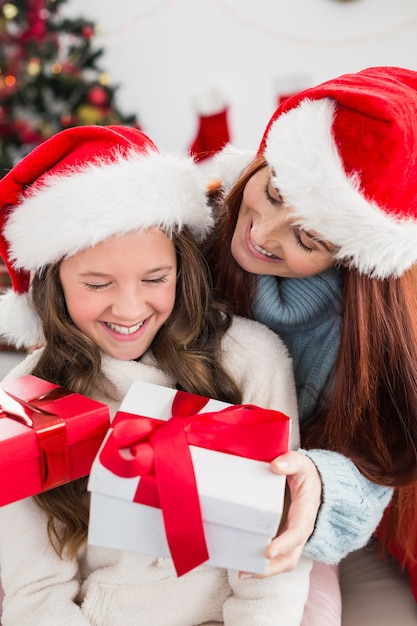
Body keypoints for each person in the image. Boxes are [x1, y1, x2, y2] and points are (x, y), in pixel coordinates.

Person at [0, 124, 317, 626]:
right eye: (97, 283)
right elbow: (35, 589)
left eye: (154, 279)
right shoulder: (30, 395)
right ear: (55, 287)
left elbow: (269, 558)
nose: (129, 308)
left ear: (182, 269)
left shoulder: (249, 360)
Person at [203, 65, 417, 623]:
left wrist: (314, 487)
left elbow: (374, 464)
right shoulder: (191, 234)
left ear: (349, 253)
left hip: (275, 511)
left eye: (308, 237)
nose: (264, 232)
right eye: (273, 192)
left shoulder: (366, 333)